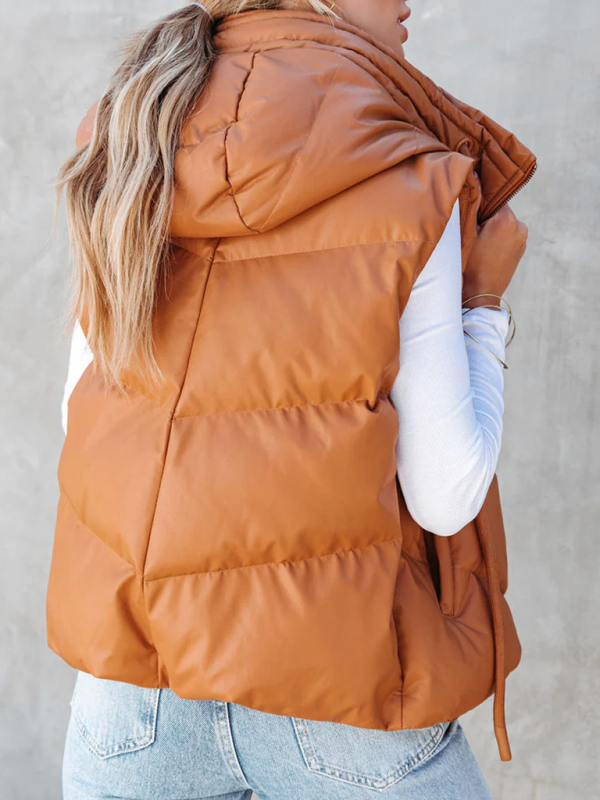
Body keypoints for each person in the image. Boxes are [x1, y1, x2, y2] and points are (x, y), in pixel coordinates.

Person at [50, 1, 535, 798]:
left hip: (133, 696)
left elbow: (82, 423)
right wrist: (481, 301)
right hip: (343, 694)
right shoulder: (407, 175)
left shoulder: (138, 127)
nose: (410, 2)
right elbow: (446, 496)